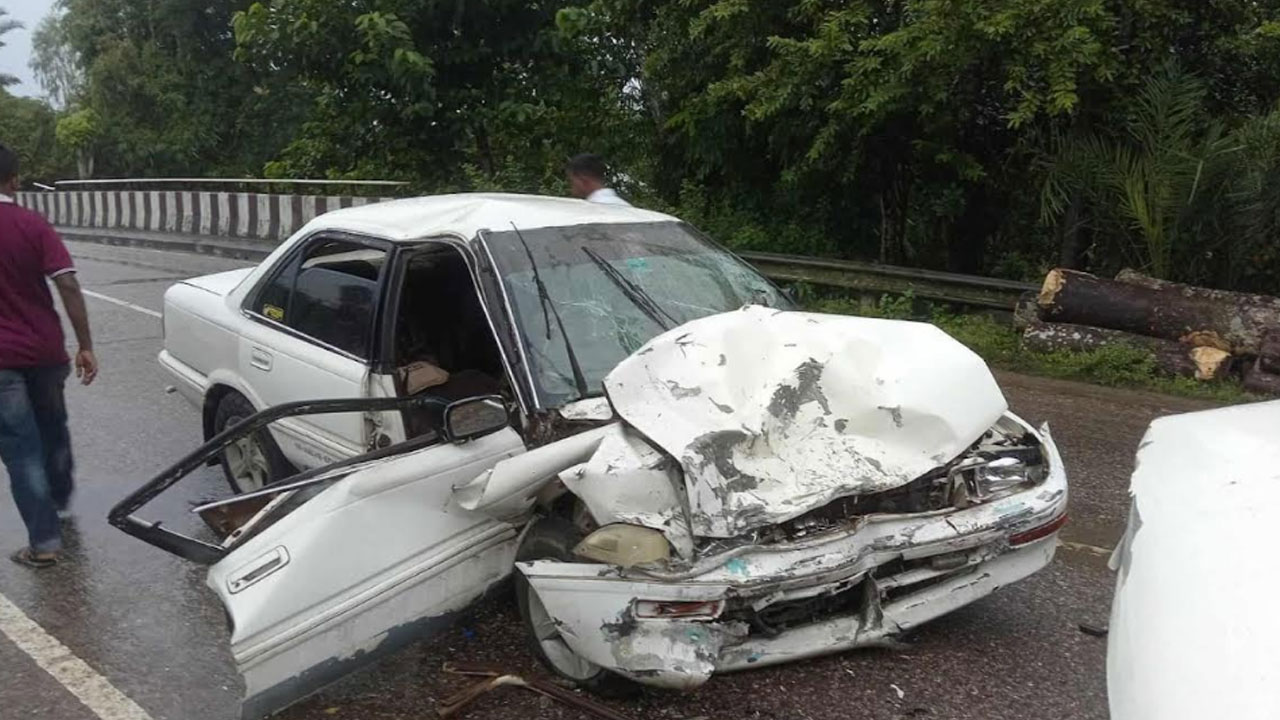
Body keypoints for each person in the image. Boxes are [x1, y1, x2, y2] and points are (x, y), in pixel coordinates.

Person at [0, 143, 97, 569]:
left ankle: (44, 543)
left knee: (21, 449)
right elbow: (68, 284)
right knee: (54, 431)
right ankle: (59, 503)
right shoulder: (32, 224)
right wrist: (86, 344)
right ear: (14, 181)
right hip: (45, 352)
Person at [566, 153, 632, 206]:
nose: (571, 188)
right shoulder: (625, 206)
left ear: (583, 179)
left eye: (572, 181)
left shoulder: (590, 209)